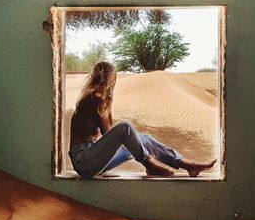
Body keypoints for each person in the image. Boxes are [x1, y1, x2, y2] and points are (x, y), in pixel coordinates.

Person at [69, 61, 216, 179]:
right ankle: (150, 165)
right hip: (83, 161)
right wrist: (108, 104)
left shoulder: (101, 98)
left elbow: (110, 134)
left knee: (144, 139)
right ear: (110, 79)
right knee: (126, 128)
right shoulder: (94, 97)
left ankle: (189, 166)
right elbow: (108, 133)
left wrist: (110, 102)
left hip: (95, 161)